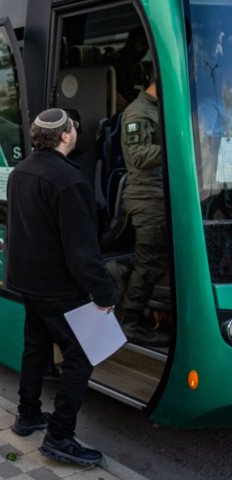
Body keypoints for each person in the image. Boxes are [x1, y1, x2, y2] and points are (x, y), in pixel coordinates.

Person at [6, 108, 117, 467]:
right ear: (66, 136)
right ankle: (59, 436)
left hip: (27, 281)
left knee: (36, 346)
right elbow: (82, 250)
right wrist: (104, 294)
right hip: (58, 287)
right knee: (82, 356)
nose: (74, 131)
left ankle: (28, 415)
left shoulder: (20, 171)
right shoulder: (69, 180)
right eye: (73, 127)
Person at [118, 80, 170, 346]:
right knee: (150, 263)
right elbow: (138, 155)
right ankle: (129, 323)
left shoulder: (157, 108)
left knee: (152, 260)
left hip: (162, 193)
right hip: (147, 197)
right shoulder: (138, 112)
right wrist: (177, 146)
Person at [104, 27, 149, 109]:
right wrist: (128, 107)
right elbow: (105, 89)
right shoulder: (111, 61)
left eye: (147, 46)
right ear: (131, 42)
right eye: (142, 44)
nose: (145, 49)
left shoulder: (139, 69)